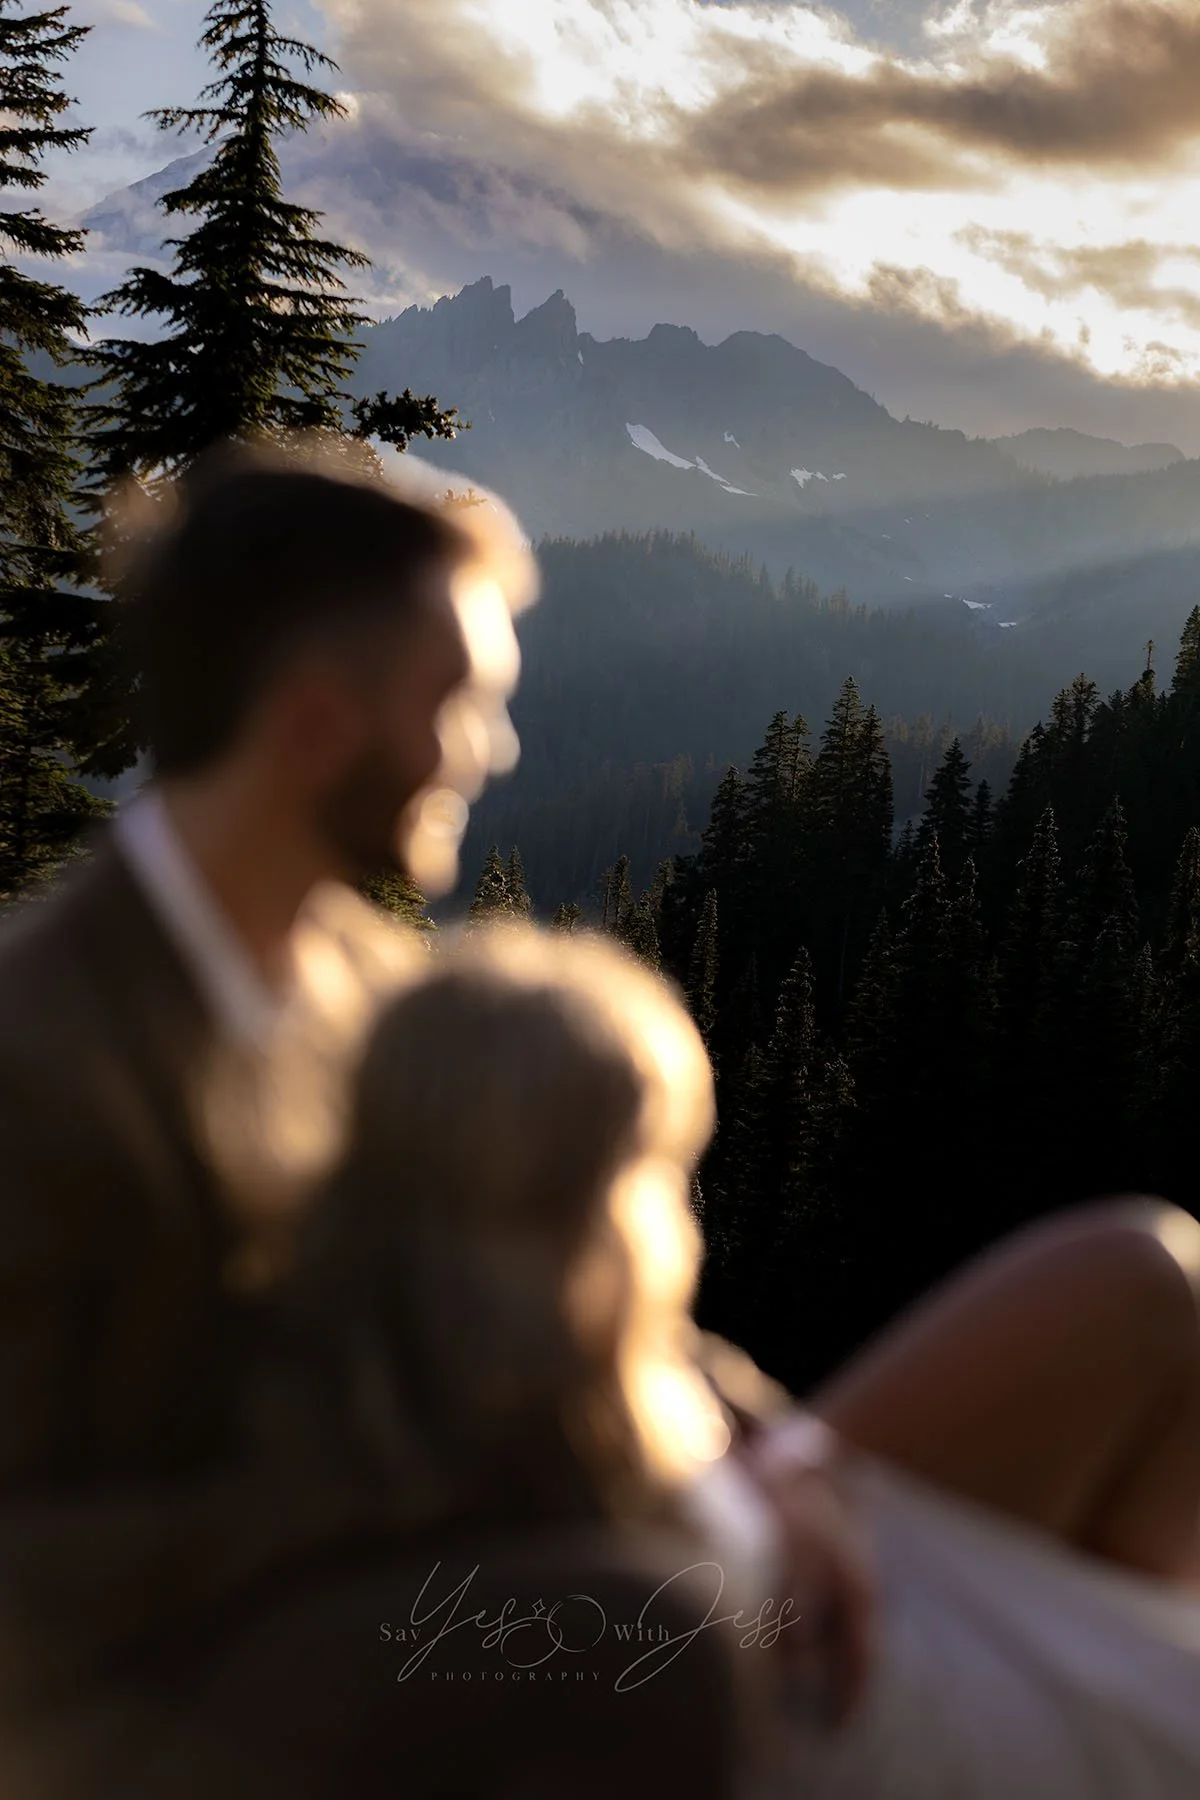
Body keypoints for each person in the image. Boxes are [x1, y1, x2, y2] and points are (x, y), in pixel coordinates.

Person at [301, 922, 1200, 1799]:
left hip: (844, 1606)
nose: (680, 1223)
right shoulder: (533, 1564)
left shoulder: (437, 1364)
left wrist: (781, 1466)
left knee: (1148, 1283)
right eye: (657, 1175)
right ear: (590, 1221)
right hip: (873, 1706)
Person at [0, 436, 536, 1736]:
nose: (493, 750)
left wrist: (759, 1441)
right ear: (311, 724)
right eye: (459, 701)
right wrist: (426, 1474)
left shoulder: (367, 984)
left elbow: (528, 1255)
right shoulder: (39, 1060)